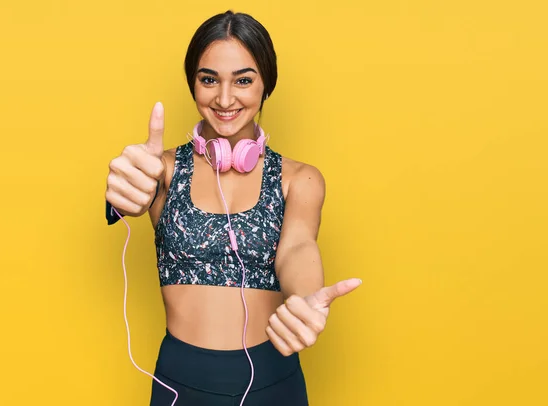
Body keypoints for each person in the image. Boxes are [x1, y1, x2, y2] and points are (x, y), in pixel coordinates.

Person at [105, 10, 362, 406]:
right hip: (180, 382)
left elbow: (297, 247)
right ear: (193, 83)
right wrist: (123, 190)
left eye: (243, 80)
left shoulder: (300, 179)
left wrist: (305, 298)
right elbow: (129, 188)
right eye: (209, 80)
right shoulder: (161, 171)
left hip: (272, 380)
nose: (225, 99)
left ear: (266, 85)